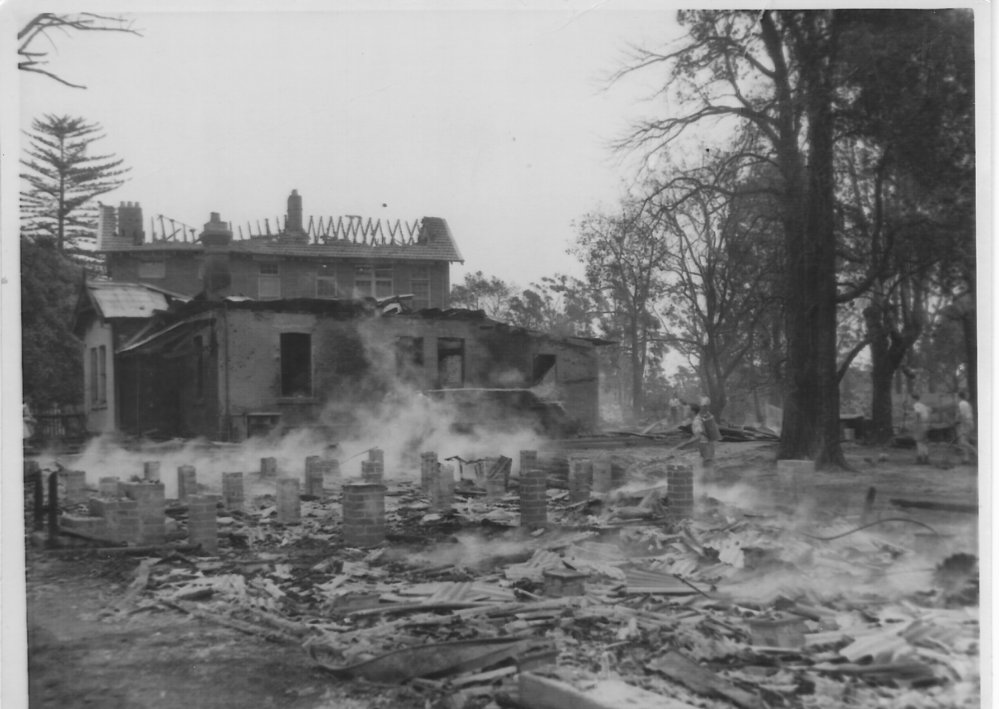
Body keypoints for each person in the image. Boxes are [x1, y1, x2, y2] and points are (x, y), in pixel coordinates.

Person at [687, 396, 719, 477]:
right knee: (706, 466)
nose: (685, 411)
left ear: (692, 411)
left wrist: (684, 445)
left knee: (708, 467)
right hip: (706, 445)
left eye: (687, 409)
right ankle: (709, 484)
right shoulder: (698, 419)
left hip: (705, 445)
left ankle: (711, 486)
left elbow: (699, 435)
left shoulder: (696, 421)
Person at [955, 390, 976, 464]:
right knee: (964, 441)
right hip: (969, 422)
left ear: (959, 396)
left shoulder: (961, 403)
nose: (956, 398)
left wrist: (958, 422)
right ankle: (966, 459)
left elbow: (962, 415)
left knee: (963, 442)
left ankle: (976, 452)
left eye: (957, 396)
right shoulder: (966, 403)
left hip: (965, 423)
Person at [911, 393, 931, 464]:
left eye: (911, 399)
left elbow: (918, 414)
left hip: (920, 424)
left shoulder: (916, 405)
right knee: (924, 441)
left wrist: (916, 423)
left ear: (913, 399)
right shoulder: (923, 405)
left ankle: (919, 458)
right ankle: (926, 458)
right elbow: (927, 413)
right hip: (925, 424)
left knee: (919, 441)